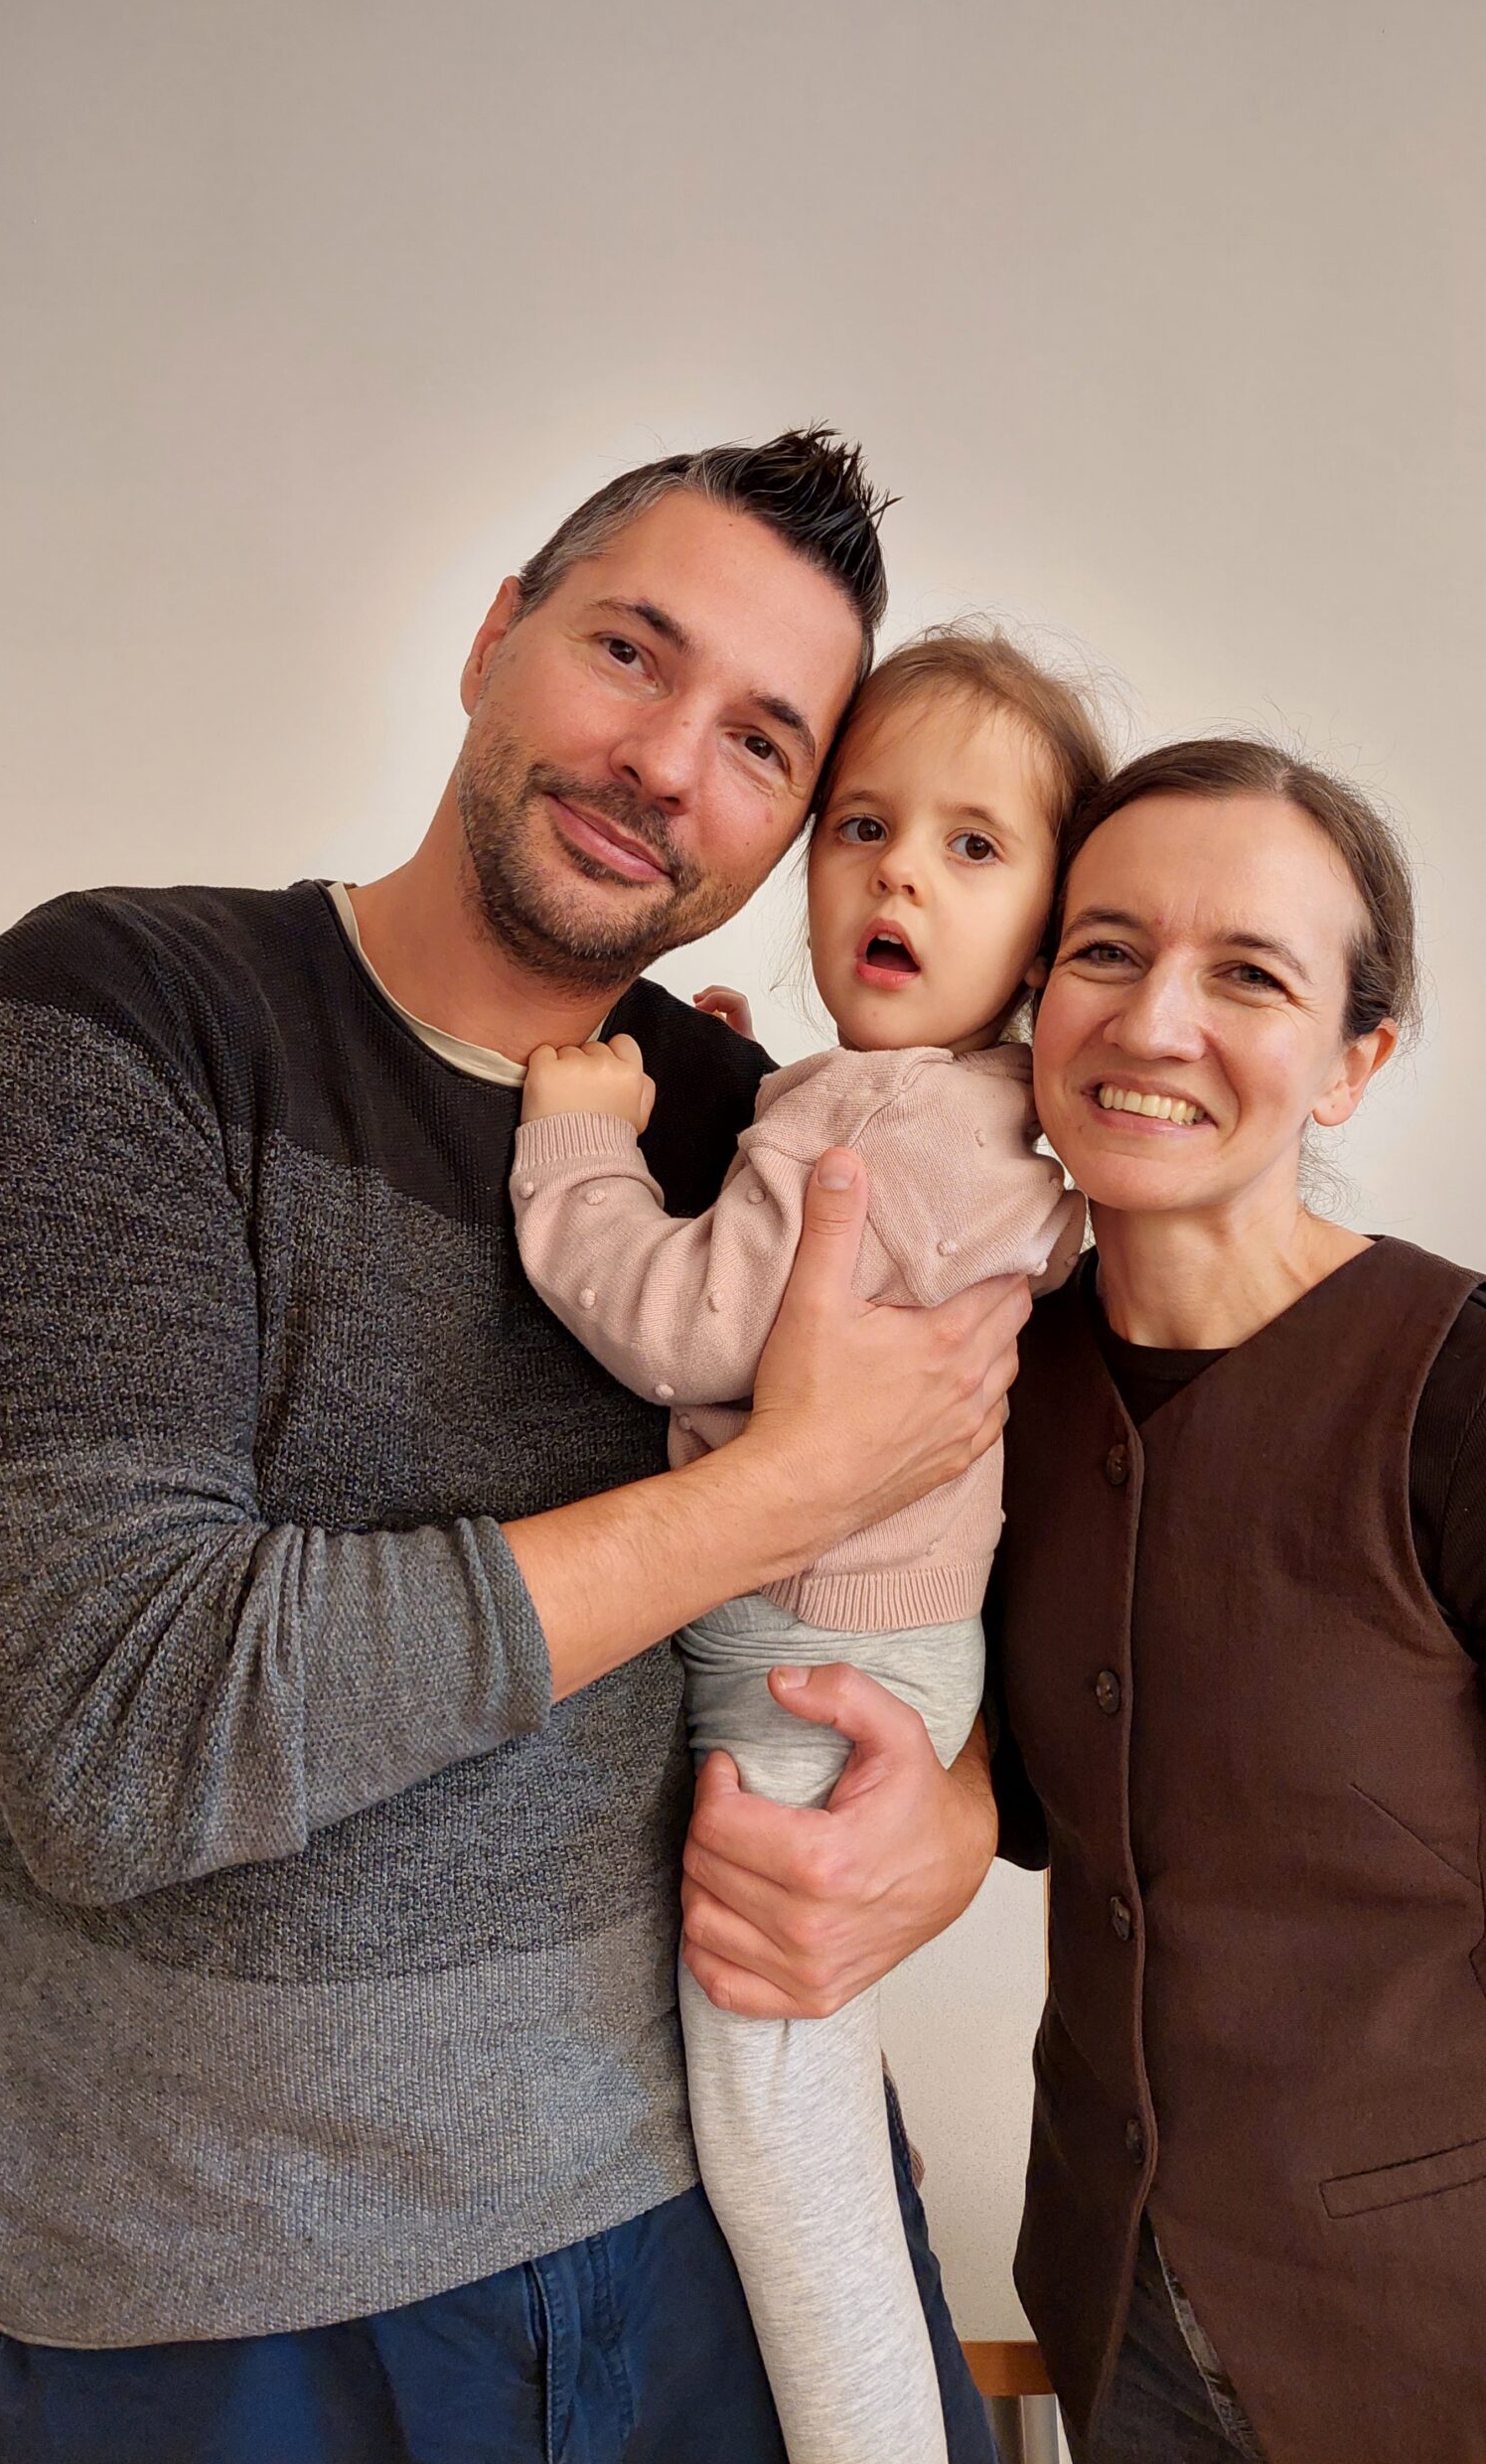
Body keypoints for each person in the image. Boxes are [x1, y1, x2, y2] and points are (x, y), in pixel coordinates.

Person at [0, 431, 1014, 2464]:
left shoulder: (762, 1125)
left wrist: (959, 1818)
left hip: (722, 2226)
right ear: (490, 637)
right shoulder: (122, 1015)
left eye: (761, 743)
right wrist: (766, 1494)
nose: (666, 764)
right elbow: (105, 1729)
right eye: (629, 651)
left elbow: (999, 1530)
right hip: (224, 2303)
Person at [679, 737, 1486, 2464]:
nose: (1155, 1020)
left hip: (1458, 2364)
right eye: (1105, 950)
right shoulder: (981, 1371)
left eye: (1249, 975)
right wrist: (945, 1808)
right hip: (1118, 2330)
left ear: (1351, 1063)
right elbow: (1084, 1750)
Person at [509, 628, 1104, 2463]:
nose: (899, 873)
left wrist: (581, 1148)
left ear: (1047, 933)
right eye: (863, 825)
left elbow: (685, 1327)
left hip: (800, 1669)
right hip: (896, 1660)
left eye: (972, 846)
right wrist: (760, 1102)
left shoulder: (863, 1117)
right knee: (810, 2103)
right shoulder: (991, 1125)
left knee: (782, 2142)